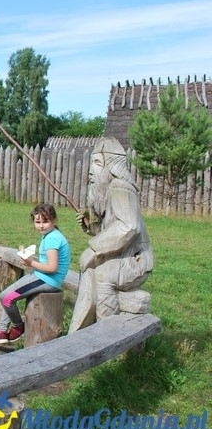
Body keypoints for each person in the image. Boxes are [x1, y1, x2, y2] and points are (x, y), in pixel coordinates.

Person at [68, 137, 153, 333]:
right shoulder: (107, 191)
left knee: (103, 274)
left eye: (98, 164)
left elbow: (128, 227)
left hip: (136, 260)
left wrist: (94, 248)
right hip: (122, 256)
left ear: (112, 166)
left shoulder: (120, 187)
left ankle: (106, 332)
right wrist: (92, 226)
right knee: (91, 269)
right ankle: (83, 327)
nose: (91, 171)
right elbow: (111, 231)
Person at [0, 203, 71, 344]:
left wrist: (30, 263)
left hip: (48, 279)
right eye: (37, 222)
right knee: (10, 294)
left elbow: (52, 268)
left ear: (54, 221)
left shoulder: (52, 239)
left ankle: (18, 327)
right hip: (42, 276)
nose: (41, 225)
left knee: (6, 297)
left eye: (45, 221)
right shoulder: (51, 235)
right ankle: (1, 331)